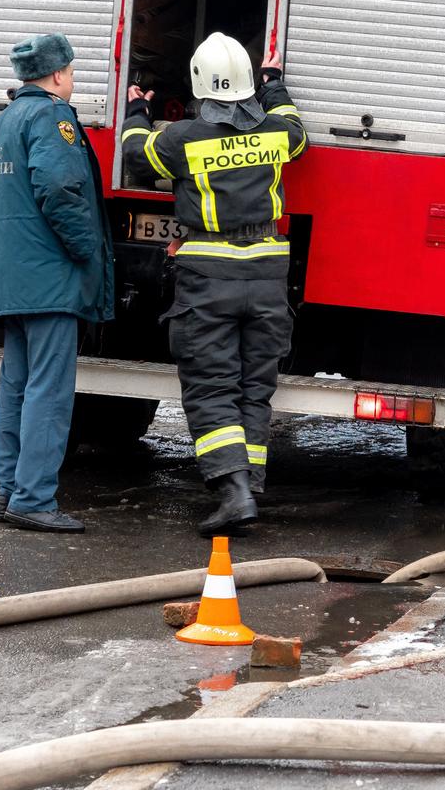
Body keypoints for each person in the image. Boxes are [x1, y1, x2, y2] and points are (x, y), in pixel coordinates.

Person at [122, 33, 308, 536]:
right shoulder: (275, 134)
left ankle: (232, 492)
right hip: (268, 276)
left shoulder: (182, 139)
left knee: (211, 389)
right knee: (254, 387)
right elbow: (296, 128)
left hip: (209, 279)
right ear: (247, 83)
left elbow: (136, 155)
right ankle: (249, 483)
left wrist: (138, 108)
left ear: (201, 85)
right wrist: (274, 85)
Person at [0, 33, 114, 534]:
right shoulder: (52, 118)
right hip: (48, 280)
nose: (71, 80)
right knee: (49, 390)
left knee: (16, 386)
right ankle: (33, 497)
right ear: (58, 75)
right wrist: (87, 252)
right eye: (70, 72)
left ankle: (10, 489)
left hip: (10, 280)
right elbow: (60, 189)